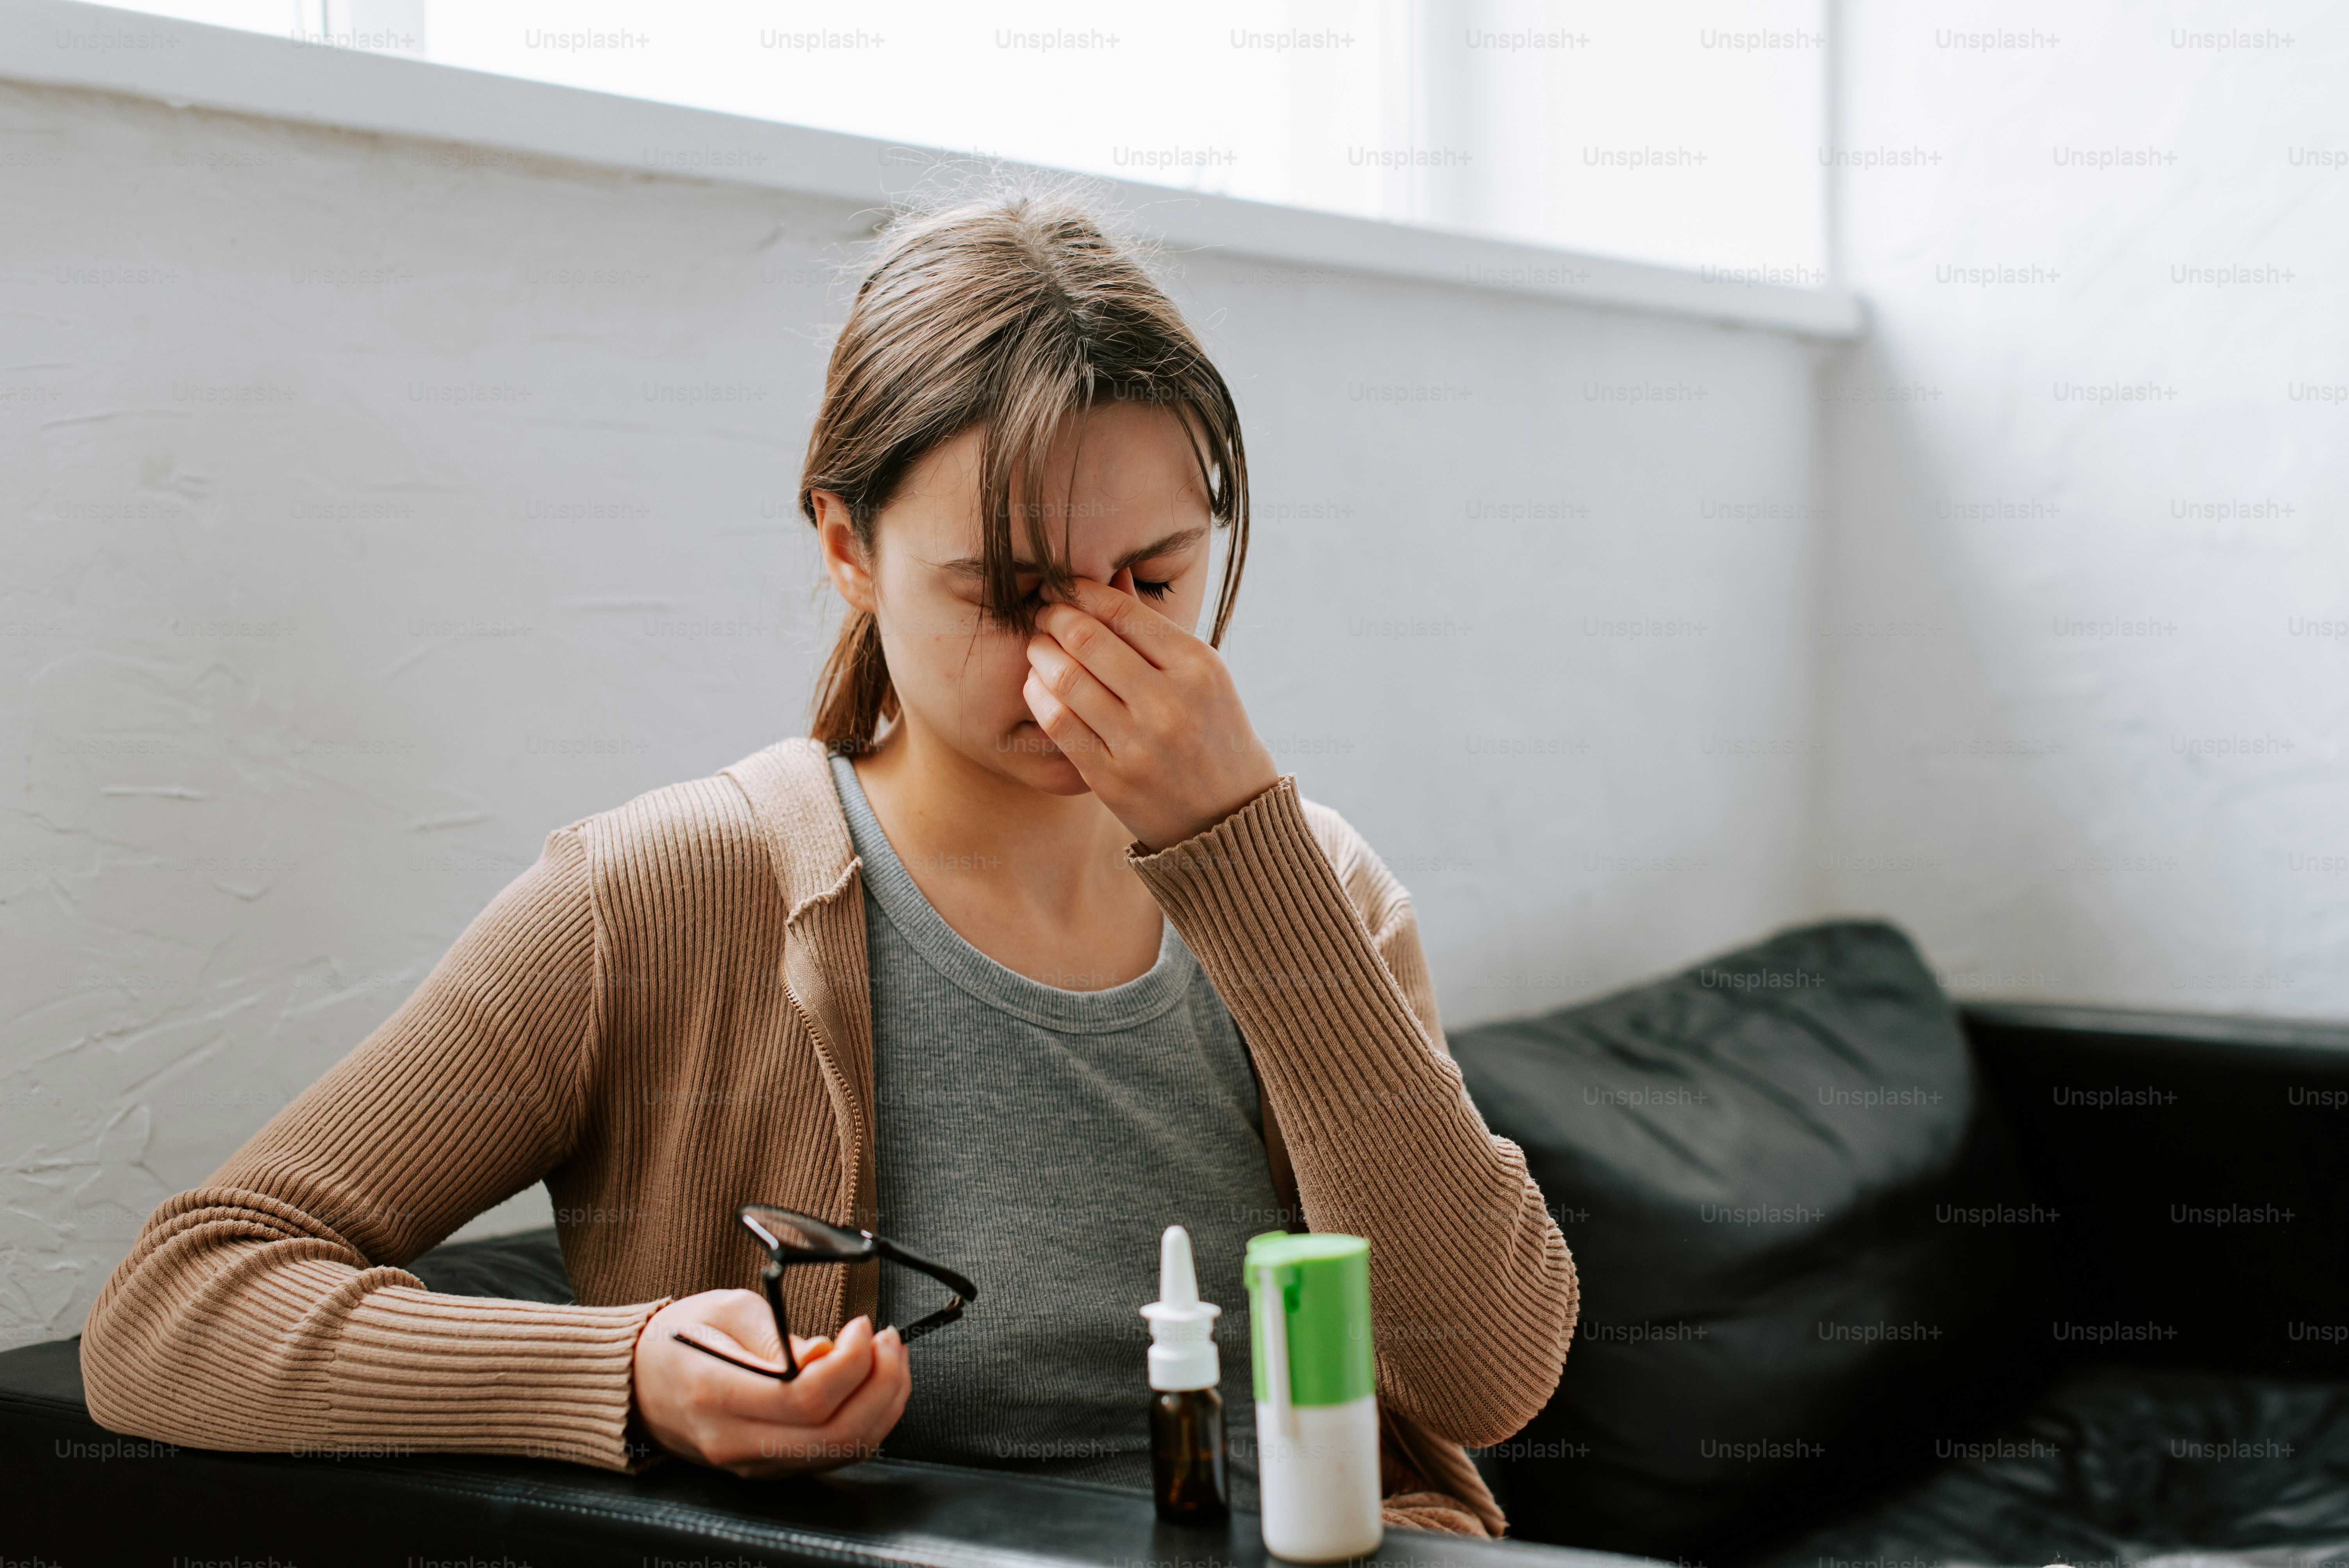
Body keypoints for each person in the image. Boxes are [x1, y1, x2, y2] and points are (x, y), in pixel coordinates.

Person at [81, 190, 1577, 1537]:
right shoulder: (661, 898)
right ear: (846, 546)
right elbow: (173, 1308)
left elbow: (1491, 1371)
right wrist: (630, 1372)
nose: (1086, 651)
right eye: (1009, 590)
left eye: (1153, 579)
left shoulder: (1317, 887)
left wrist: (1245, 862)